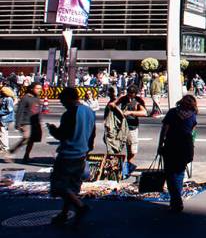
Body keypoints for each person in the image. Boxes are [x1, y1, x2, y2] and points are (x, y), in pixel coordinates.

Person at [48, 87, 96, 227]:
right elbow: (92, 133)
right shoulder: (89, 111)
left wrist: (52, 130)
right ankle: (64, 214)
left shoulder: (69, 114)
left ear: (69, 99)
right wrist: (88, 148)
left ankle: (80, 206)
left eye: (63, 100)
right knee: (72, 187)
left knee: (59, 185)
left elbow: (62, 135)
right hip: (82, 153)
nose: (62, 103)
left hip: (68, 154)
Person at [157, 95, 198, 213]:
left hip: (171, 145)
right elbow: (192, 133)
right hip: (186, 147)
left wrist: (160, 145)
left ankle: (176, 201)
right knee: (179, 173)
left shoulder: (172, 112)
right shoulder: (192, 115)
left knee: (170, 174)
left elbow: (164, 130)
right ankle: (175, 200)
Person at [115, 85, 147, 173]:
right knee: (117, 146)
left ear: (135, 94)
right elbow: (113, 104)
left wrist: (131, 112)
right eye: (128, 94)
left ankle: (129, 164)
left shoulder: (138, 101)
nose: (129, 96)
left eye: (131, 94)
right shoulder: (123, 99)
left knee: (132, 149)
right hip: (121, 127)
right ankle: (116, 166)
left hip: (132, 127)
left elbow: (144, 113)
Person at [9, 83, 42, 162]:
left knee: (32, 140)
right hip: (25, 122)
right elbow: (19, 111)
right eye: (37, 88)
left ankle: (26, 156)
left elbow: (38, 111)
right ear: (31, 88)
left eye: (40, 88)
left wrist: (39, 121)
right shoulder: (25, 98)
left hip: (34, 122)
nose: (39, 90)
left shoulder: (36, 98)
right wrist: (18, 124)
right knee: (26, 137)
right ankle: (12, 151)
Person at [103, 86, 128, 156]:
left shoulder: (117, 102)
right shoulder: (111, 102)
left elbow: (123, 115)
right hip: (109, 128)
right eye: (109, 91)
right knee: (110, 148)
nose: (109, 93)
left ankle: (114, 163)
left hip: (114, 128)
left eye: (111, 91)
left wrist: (115, 107)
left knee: (114, 149)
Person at [0, 86, 16, 157]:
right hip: (2, 118)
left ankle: (5, 148)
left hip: (5, 119)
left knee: (3, 133)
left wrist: (0, 112)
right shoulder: (4, 98)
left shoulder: (8, 99)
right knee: (2, 133)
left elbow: (9, 109)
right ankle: (2, 147)